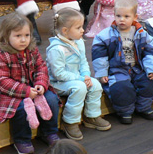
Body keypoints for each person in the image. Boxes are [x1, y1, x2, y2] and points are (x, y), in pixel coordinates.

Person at [0, 13, 60, 154]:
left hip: (32, 86)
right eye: (18, 36)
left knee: (52, 99)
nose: (23, 40)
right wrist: (26, 91)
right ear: (5, 36)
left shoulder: (31, 49)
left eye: (27, 35)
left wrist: (41, 84)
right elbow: (2, 81)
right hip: (10, 92)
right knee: (21, 108)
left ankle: (49, 132)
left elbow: (41, 67)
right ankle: (22, 139)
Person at [92, 0, 153, 124]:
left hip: (138, 67)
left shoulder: (142, 34)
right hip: (117, 69)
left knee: (149, 82)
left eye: (126, 16)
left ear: (135, 17)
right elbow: (99, 55)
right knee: (120, 87)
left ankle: (143, 107)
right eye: (118, 16)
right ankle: (125, 111)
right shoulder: (105, 35)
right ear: (114, 15)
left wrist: (152, 69)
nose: (121, 20)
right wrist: (102, 72)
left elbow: (151, 52)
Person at [46, 8, 111, 141]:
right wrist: (81, 79)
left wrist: (86, 75)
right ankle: (69, 122)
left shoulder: (78, 41)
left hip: (76, 78)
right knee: (80, 88)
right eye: (78, 27)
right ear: (65, 31)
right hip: (57, 83)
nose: (83, 30)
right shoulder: (56, 49)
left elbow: (83, 62)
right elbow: (58, 74)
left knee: (96, 85)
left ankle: (91, 116)